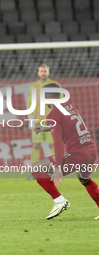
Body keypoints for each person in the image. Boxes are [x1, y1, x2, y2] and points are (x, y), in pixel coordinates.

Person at [31, 83, 99, 220]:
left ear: (48, 97)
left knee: (36, 168)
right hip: (91, 151)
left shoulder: (53, 115)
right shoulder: (69, 107)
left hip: (77, 154)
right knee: (84, 179)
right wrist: (46, 128)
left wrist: (57, 167)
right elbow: (69, 125)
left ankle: (59, 200)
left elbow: (58, 143)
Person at [26, 64, 62, 180]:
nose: (43, 73)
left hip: (51, 121)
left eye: (45, 71)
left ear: (48, 72)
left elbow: (60, 101)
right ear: (38, 73)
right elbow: (30, 103)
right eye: (41, 71)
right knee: (36, 145)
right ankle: (34, 172)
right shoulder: (33, 87)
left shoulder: (55, 86)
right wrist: (30, 117)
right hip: (38, 122)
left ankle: (53, 170)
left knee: (53, 145)